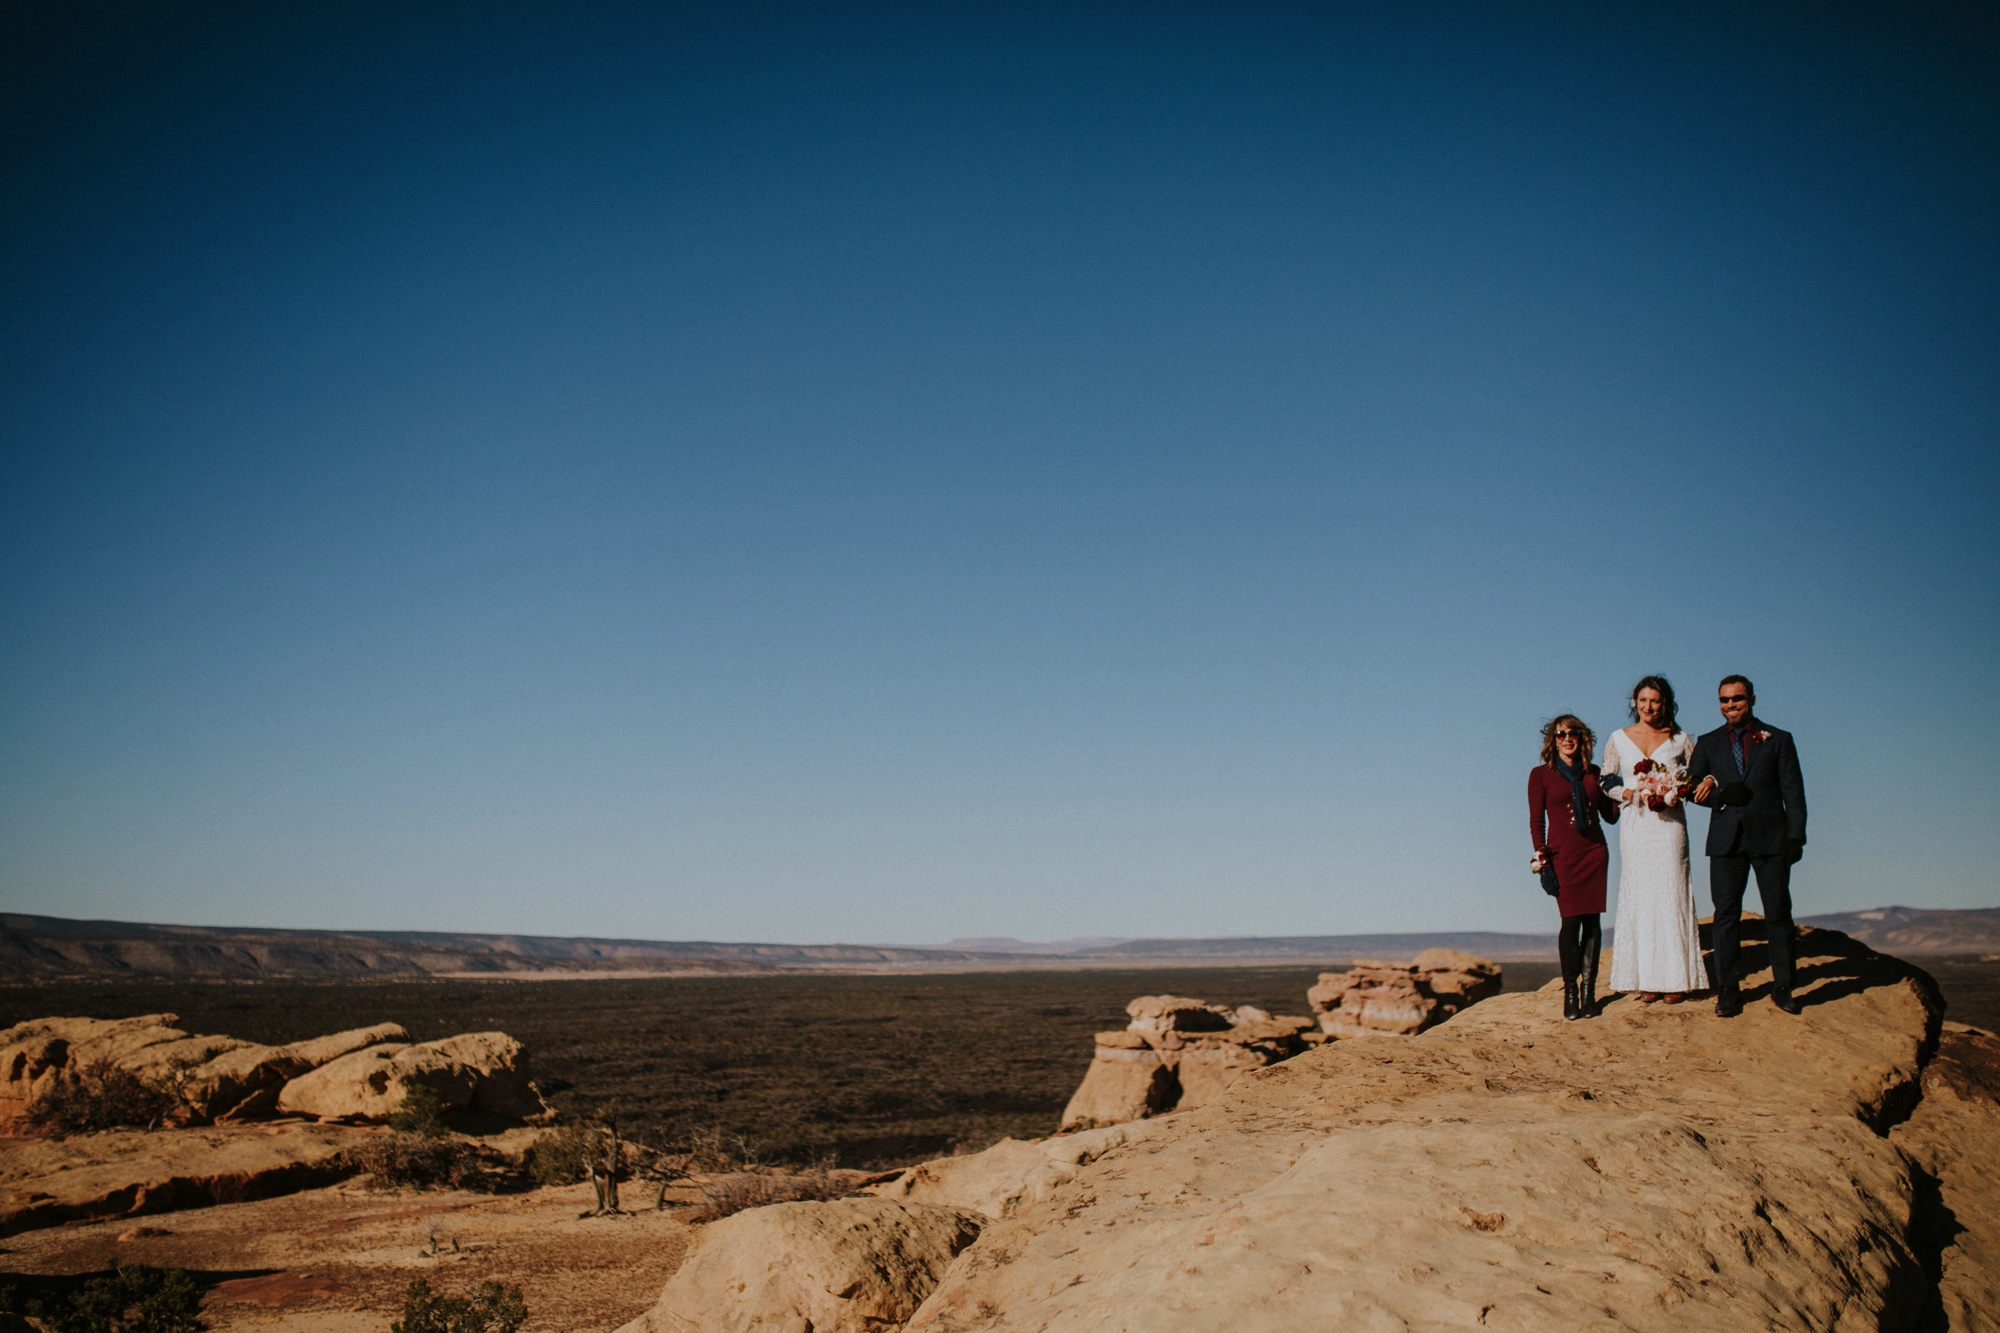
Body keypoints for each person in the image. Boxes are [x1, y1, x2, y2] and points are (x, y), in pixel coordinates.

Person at [1688, 675, 1807, 1017]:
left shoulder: (1778, 739)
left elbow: (1793, 792)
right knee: (1726, 916)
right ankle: (1728, 991)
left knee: (1778, 914)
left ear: (1752, 699)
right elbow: (1690, 786)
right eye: (1724, 700)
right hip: (1726, 841)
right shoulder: (1709, 743)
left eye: (1737, 699)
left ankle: (1784, 987)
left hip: (1770, 838)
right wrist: (1721, 796)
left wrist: (1795, 836)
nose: (1731, 705)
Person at [1601, 676, 1708, 1004]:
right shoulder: (1619, 738)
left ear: (1666, 704)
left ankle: (1675, 979)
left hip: (1669, 826)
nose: (1649, 707)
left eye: (1656, 701)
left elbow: (1696, 775)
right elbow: (1605, 779)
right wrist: (1628, 792)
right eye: (1643, 700)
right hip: (1637, 824)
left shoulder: (1680, 739)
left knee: (1671, 893)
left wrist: (1677, 791)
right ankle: (1647, 978)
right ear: (1634, 702)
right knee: (1642, 895)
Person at [1528, 714, 1621, 1019]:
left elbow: (1610, 816)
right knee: (1570, 923)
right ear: (1552, 741)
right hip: (1562, 856)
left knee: (1592, 924)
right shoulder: (1541, 775)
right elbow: (1536, 821)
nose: (1567, 739)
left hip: (1593, 853)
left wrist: (1617, 788)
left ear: (1582, 739)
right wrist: (1542, 862)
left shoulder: (1594, 774)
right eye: (1560, 734)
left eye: (1573, 734)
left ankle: (1589, 994)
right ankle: (1570, 992)